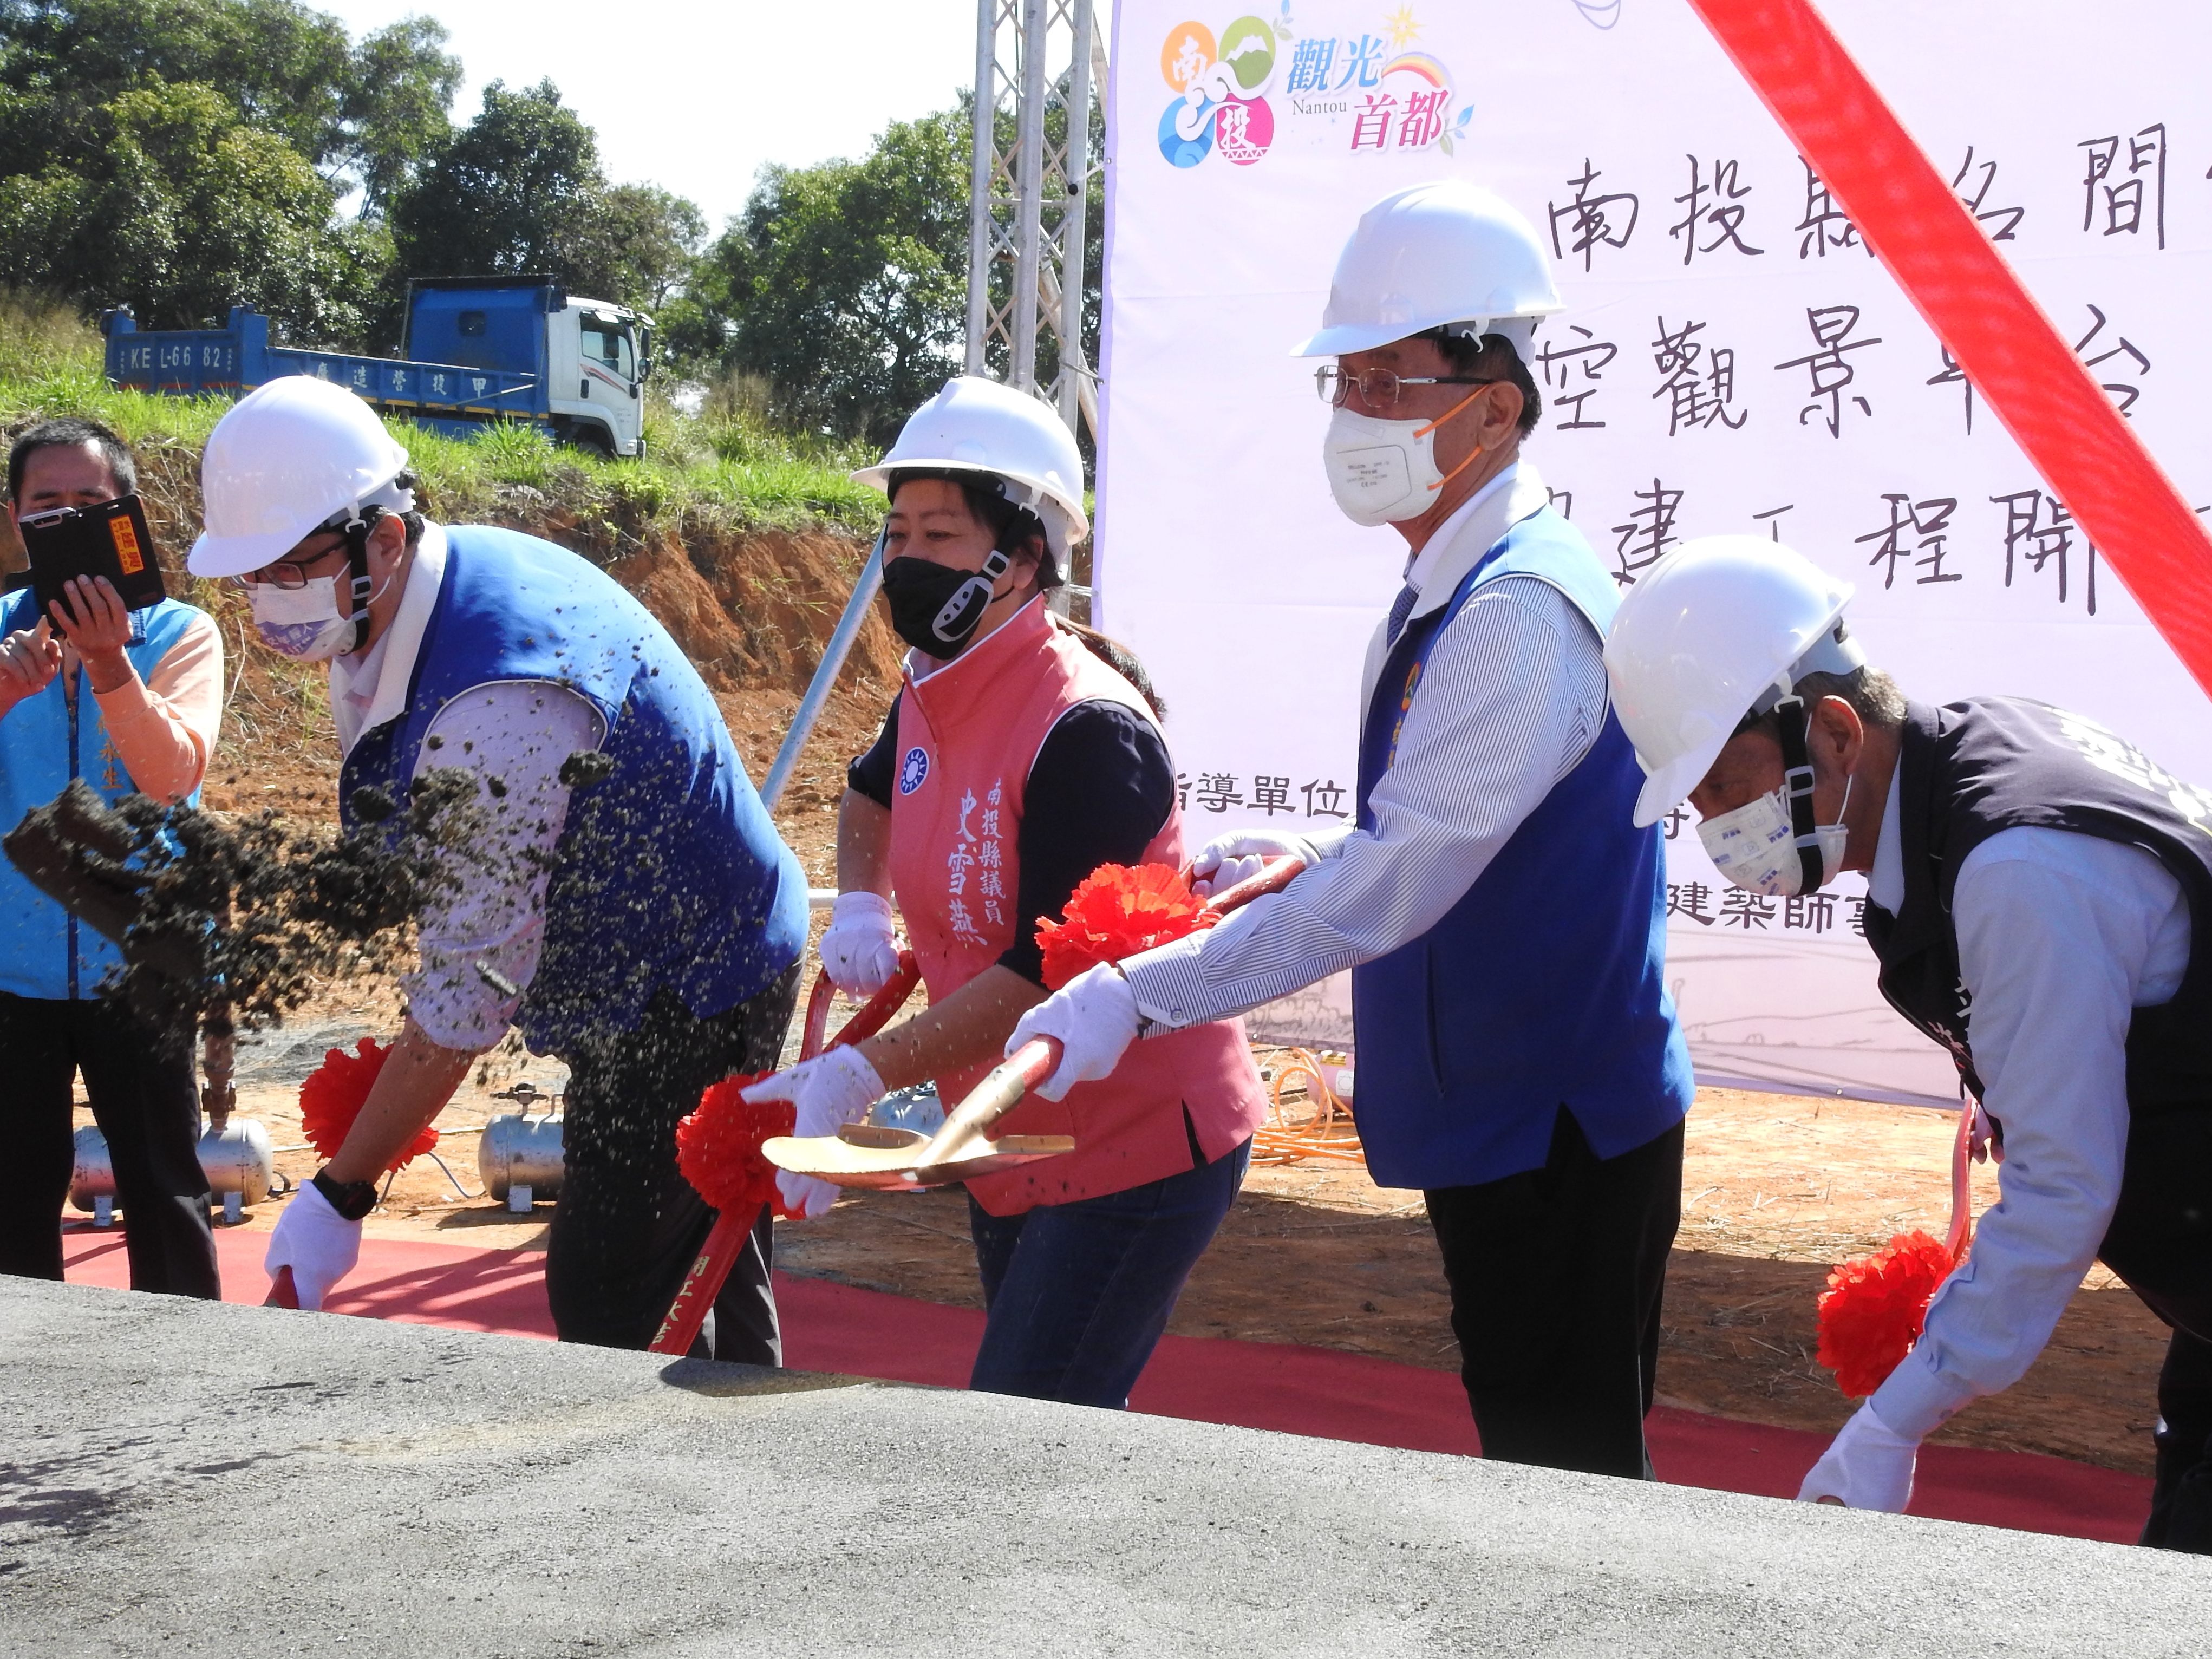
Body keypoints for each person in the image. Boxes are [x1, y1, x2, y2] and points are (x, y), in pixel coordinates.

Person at [1006, 181, 1695, 1477]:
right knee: (1543, 1446)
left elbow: (1400, 883)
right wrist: (1309, 857)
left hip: (1557, 1120)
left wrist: (1138, 995)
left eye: (1393, 383)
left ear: (1495, 407)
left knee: (1571, 1472)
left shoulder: (1512, 609)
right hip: (1513, 1101)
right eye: (1346, 383)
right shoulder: (1456, 581)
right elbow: (1421, 837)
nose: (1356, 416)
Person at [1604, 533, 2212, 1551]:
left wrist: (1896, 1416)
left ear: (1833, 733)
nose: (1713, 828)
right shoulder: (1961, 777)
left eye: (1722, 784)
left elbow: (2065, 1188)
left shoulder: (2016, 864)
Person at [184, 375, 808, 1358]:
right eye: (249, 576)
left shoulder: (499, 694)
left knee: (609, 1292)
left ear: (381, 538)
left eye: (287, 569)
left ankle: (658, 1502)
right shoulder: (394, 607)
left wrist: (341, 1192)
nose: (265, 599)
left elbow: (471, 988)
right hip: (646, 951)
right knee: (708, 1247)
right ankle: (748, 1434)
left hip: (696, 976)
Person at [746, 375, 1268, 1408]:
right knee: (1044, 1425)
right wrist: (863, 901)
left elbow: (1042, 979)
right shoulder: (937, 681)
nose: (903, 560)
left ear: (1020, 554)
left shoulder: (1088, 733)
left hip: (1134, 1140)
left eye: (937, 533)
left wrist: (858, 1076)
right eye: (896, 531)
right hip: (1010, 1126)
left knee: (1025, 1422)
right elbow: (866, 795)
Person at [0, 416, 223, 1298]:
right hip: (8, 972)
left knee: (164, 1193)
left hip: (143, 959)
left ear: (125, 515)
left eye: (89, 502)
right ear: (14, 518)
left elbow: (173, 778)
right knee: (12, 1201)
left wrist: (109, 666)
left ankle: (187, 1390)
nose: (66, 518)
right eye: (45, 503)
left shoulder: (180, 633)